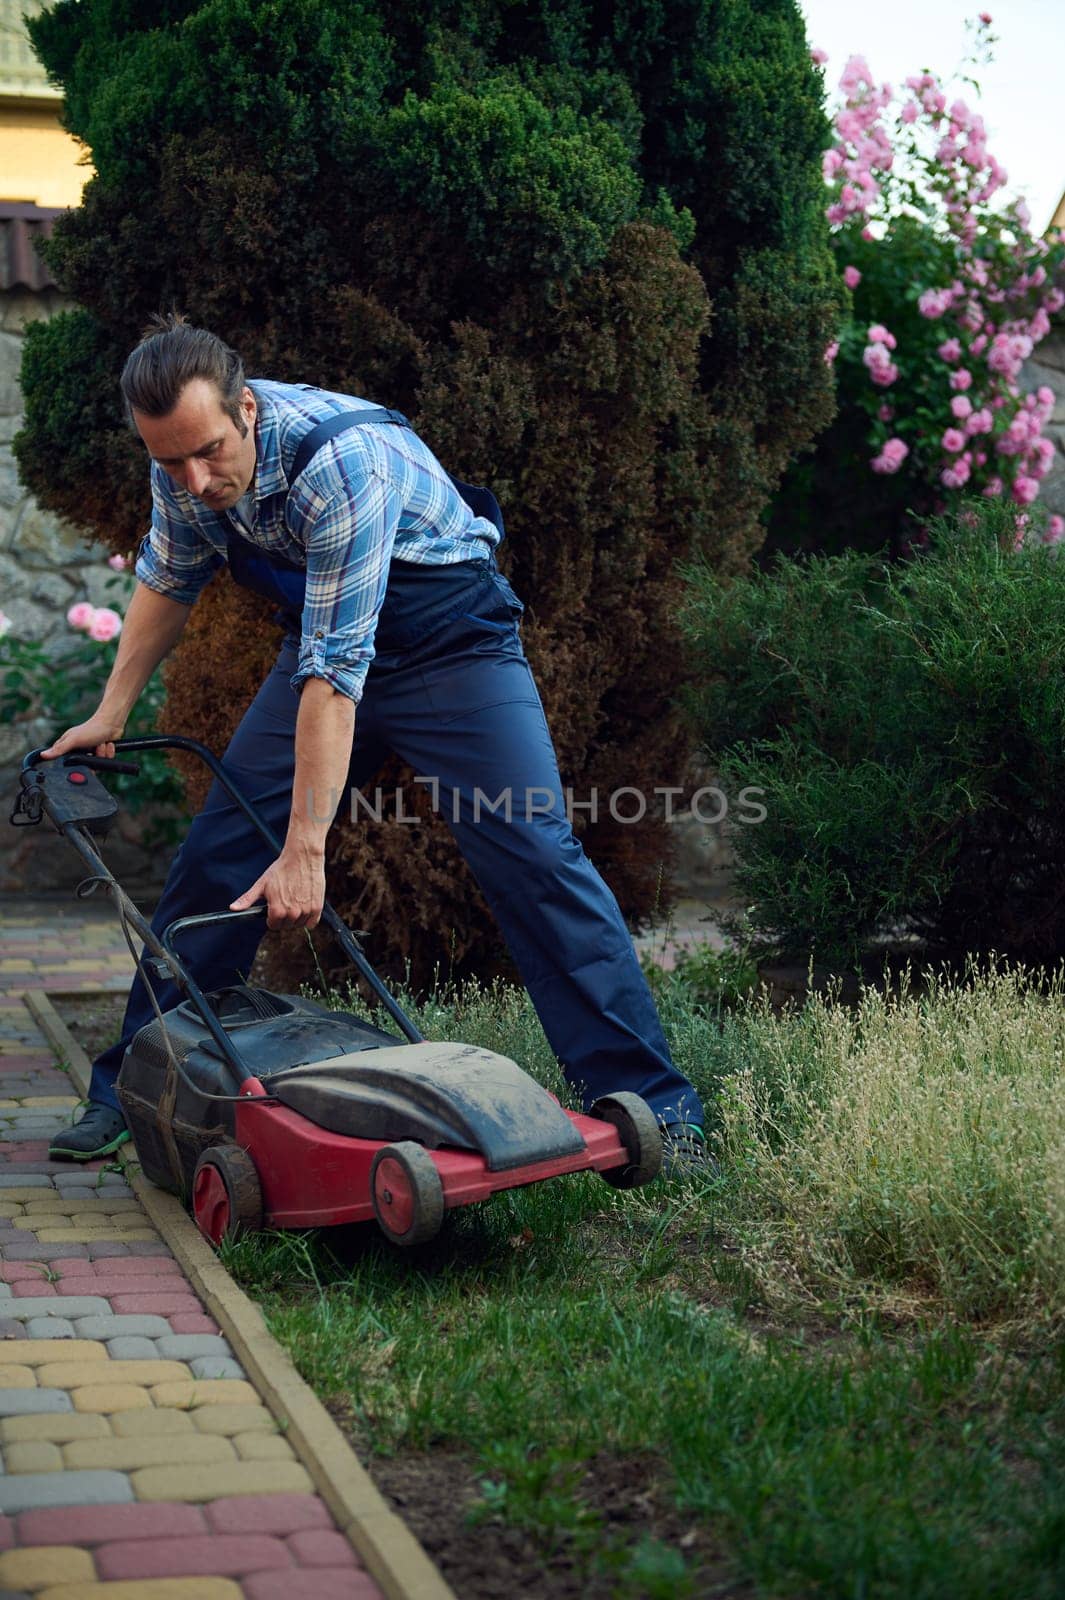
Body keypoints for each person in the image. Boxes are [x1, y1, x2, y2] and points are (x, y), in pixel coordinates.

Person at [43, 314, 709, 1174]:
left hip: (451, 646)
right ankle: (135, 1087)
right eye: (170, 460)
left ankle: (658, 1112)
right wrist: (111, 711)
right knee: (220, 853)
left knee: (533, 855)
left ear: (246, 407)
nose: (194, 477)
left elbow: (334, 673)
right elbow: (170, 578)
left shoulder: (339, 460)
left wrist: (306, 849)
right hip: (326, 643)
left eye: (208, 450)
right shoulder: (179, 456)